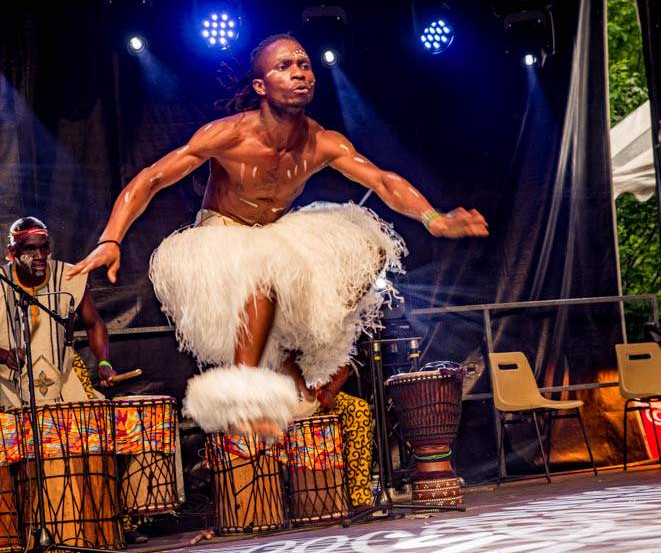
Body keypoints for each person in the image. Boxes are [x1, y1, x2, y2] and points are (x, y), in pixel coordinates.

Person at [66, 34, 487, 438]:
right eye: (284, 66)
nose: (299, 72)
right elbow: (152, 178)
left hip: (275, 233)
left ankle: (316, 359)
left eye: (303, 64)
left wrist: (433, 218)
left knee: (367, 245)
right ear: (261, 85)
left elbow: (381, 180)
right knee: (262, 271)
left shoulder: (322, 141)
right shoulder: (229, 134)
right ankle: (242, 389)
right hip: (221, 236)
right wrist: (112, 238)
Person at [0, 217, 117, 407]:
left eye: (45, 247)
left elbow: (94, 323)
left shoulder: (69, 276)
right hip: (10, 394)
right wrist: (5, 356)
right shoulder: (1, 283)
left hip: (64, 388)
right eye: (30, 248)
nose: (40, 255)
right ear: (13, 251)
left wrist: (104, 363)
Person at [316, 363, 374, 511]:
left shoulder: (328, 339)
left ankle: (359, 497)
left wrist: (330, 391)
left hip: (319, 397)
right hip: (285, 398)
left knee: (358, 409)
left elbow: (342, 362)